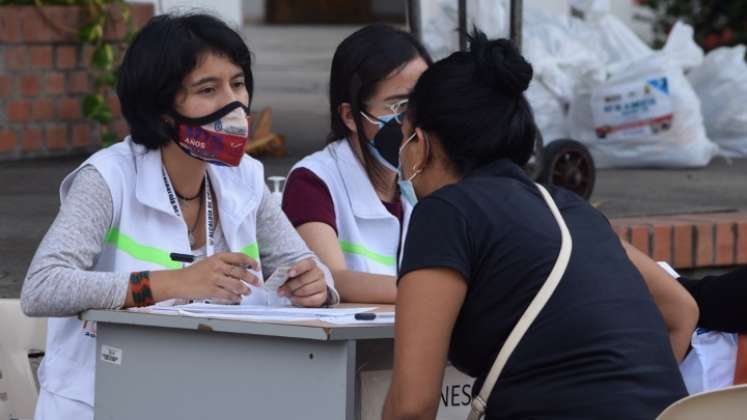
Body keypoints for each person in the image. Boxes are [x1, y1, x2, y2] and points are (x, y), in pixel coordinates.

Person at [20, 13, 338, 419]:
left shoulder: (244, 177)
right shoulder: (108, 177)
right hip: (103, 401)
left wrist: (317, 287)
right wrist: (173, 283)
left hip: (208, 397)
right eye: (208, 89)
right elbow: (43, 287)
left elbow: (305, 267)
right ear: (162, 110)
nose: (235, 104)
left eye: (238, 84)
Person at [382, 31, 688, 419]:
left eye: (404, 136)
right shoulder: (569, 209)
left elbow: (411, 406)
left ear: (421, 143)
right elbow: (681, 310)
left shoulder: (444, 212)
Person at [281, 24, 431, 303]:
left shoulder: (426, 178)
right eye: (399, 106)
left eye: (423, 102)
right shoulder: (313, 181)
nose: (414, 118)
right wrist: (438, 295)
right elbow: (329, 278)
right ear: (350, 116)